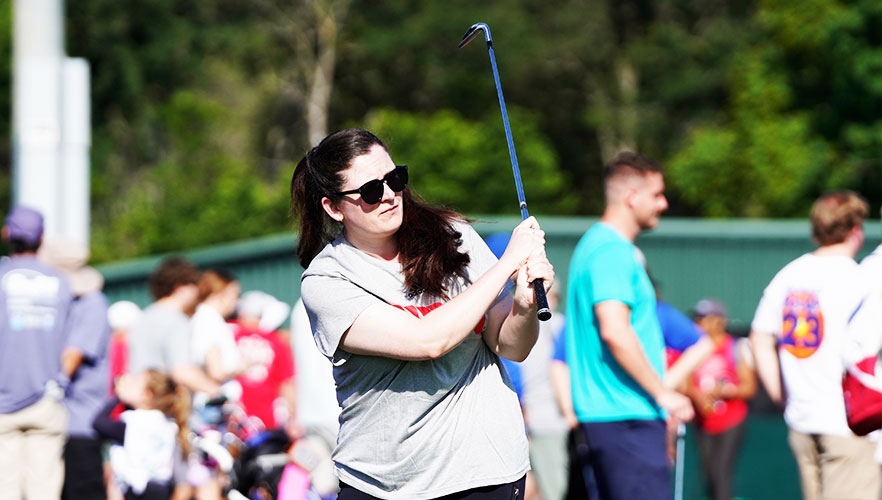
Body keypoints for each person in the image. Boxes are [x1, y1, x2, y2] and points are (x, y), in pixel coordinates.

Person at [291, 128, 554, 499]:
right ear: (333, 207)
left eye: (394, 179)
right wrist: (507, 263)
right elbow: (428, 340)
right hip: (386, 485)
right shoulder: (327, 280)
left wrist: (524, 306)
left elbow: (511, 346)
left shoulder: (453, 236)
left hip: (486, 473)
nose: (388, 196)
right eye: (369, 191)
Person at [565, 152, 693, 500]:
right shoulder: (611, 252)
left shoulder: (597, 246)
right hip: (626, 419)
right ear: (631, 197)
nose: (664, 203)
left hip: (615, 420)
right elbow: (615, 330)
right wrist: (662, 392)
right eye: (657, 194)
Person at [750, 190, 880, 500]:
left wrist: (782, 396)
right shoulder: (859, 278)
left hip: (801, 419)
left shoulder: (789, 274)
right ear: (855, 230)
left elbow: (759, 338)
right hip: (848, 422)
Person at [0, 206, 76, 500]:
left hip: (2, 400)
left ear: (8, 234)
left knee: (5, 488)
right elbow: (71, 345)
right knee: (44, 489)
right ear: (42, 237)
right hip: (46, 396)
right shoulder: (60, 282)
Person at [40, 238, 114, 500]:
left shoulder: (91, 304)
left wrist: (42, 389)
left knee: (83, 491)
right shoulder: (67, 303)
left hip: (80, 424)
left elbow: (71, 358)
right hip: (57, 423)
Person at [686, 299, 755, 500]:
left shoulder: (736, 347)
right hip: (704, 421)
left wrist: (721, 390)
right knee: (708, 475)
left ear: (720, 321)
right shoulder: (693, 347)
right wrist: (698, 396)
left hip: (731, 421)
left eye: (705, 318)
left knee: (720, 472)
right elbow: (686, 382)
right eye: (697, 318)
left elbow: (749, 388)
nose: (699, 323)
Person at [127, 257, 219, 396]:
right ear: (180, 287)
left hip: (140, 400)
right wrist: (217, 391)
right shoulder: (175, 320)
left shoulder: (143, 317)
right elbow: (181, 371)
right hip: (166, 404)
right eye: (194, 284)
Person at [93, 370, 190, 500]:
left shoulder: (135, 423)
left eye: (135, 381)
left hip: (138, 492)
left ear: (147, 395)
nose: (128, 383)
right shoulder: (165, 423)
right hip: (161, 488)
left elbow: (98, 423)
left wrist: (118, 396)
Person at [232, 290, 297, 436]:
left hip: (233, 419)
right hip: (267, 420)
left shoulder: (229, 333)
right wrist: (294, 416)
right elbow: (286, 383)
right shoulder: (275, 342)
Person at [191, 268, 242, 383]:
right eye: (235, 295)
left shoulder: (205, 318)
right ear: (221, 292)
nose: (236, 301)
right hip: (218, 398)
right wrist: (243, 367)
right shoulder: (209, 321)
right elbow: (216, 371)